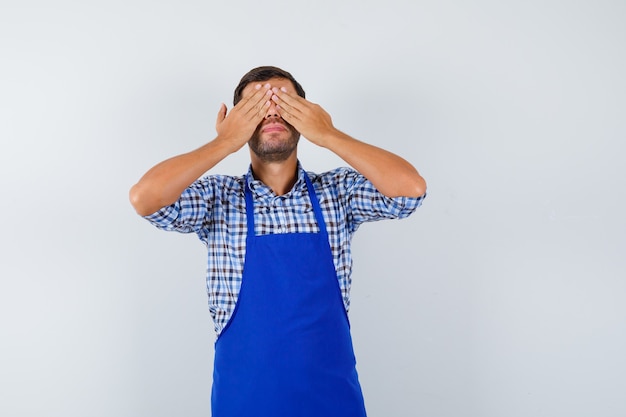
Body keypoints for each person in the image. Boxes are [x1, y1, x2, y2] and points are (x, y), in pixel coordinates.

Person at [129, 66, 427, 417]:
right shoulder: (218, 199)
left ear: (306, 115)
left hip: (334, 404)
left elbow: (411, 191)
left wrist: (329, 134)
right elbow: (144, 199)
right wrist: (223, 142)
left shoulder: (338, 193)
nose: (271, 111)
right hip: (243, 405)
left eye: (284, 102)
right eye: (256, 104)